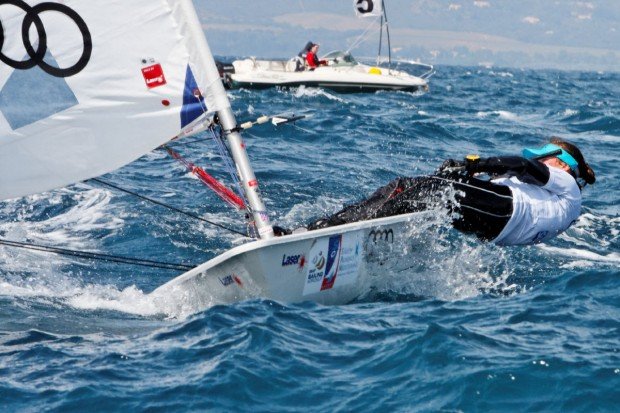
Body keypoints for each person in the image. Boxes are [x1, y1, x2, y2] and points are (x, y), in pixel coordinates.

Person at [305, 137, 596, 246]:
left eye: (541, 158)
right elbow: (512, 174)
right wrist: (462, 169)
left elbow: (521, 166)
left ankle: (333, 229)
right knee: (407, 188)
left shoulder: (567, 184)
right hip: (496, 227)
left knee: (426, 191)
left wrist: (478, 163)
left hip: (505, 212)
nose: (536, 162)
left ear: (560, 163)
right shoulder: (562, 204)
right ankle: (345, 229)